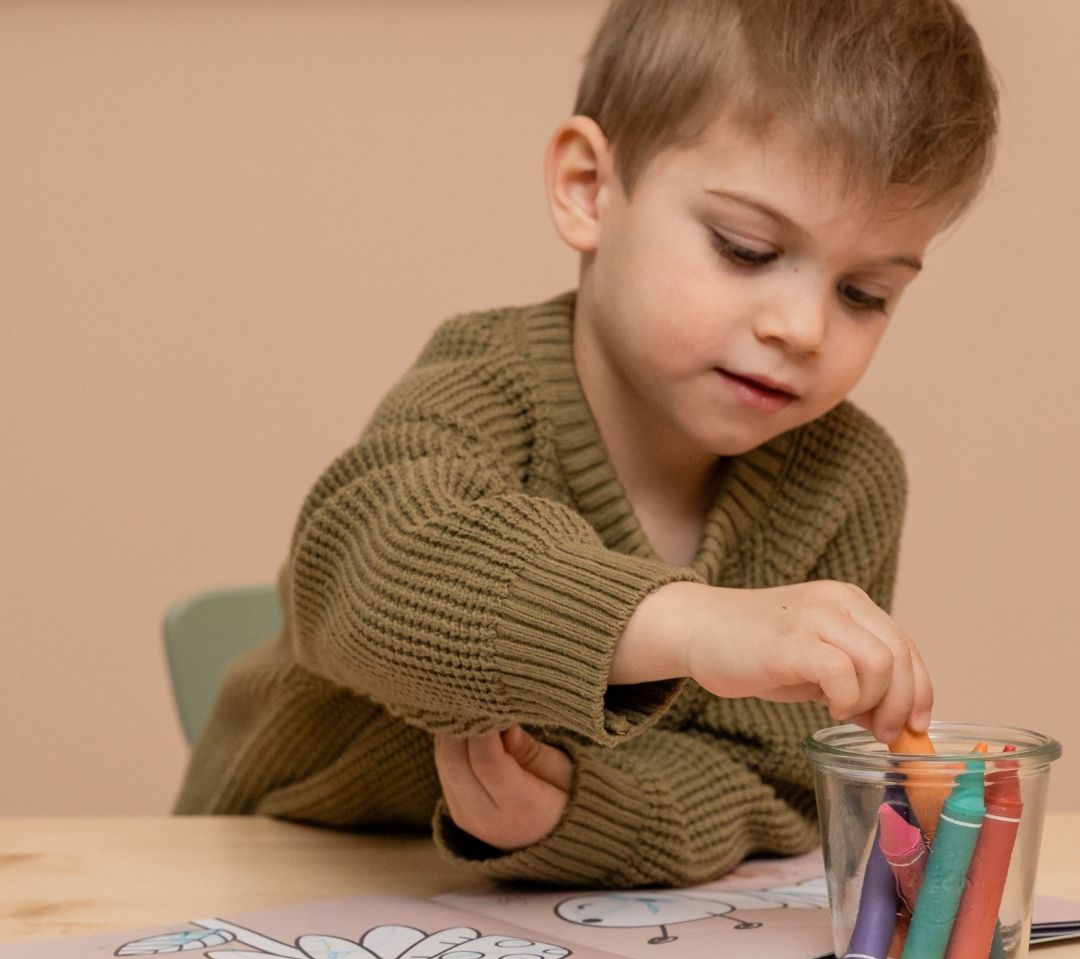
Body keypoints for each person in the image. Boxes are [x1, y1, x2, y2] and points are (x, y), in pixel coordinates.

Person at [175, 0, 998, 887]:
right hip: (271, 877)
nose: (802, 327)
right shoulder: (486, 381)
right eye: (746, 249)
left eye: (865, 294)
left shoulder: (845, 479)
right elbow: (366, 569)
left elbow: (772, 780)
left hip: (530, 925)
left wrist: (572, 810)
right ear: (588, 189)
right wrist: (692, 623)